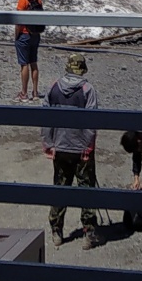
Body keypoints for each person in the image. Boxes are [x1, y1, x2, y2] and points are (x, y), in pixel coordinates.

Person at [42, 54, 103, 248]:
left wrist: (48, 143)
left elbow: (45, 118)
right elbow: (91, 122)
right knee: (86, 190)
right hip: (81, 149)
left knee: (60, 188)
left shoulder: (53, 87)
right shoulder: (88, 90)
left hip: (60, 148)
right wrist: (88, 146)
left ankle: (57, 231)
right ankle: (89, 233)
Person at [15, 0, 45, 102]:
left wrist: (16, 35)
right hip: (35, 34)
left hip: (25, 34)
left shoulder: (23, 0)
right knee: (34, 62)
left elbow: (19, 21)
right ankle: (35, 92)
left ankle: (24, 93)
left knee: (24, 64)